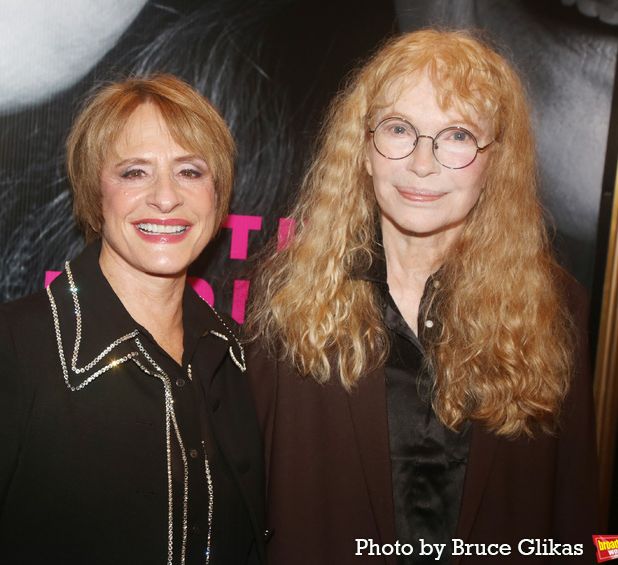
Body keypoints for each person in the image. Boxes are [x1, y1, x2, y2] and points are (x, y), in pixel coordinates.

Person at [246, 29, 599, 564]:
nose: (422, 163)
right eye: (398, 129)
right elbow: (246, 507)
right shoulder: (286, 296)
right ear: (364, 150)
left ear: (494, 162)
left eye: (456, 135)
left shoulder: (555, 308)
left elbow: (579, 518)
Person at [0, 74, 265, 564]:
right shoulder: (11, 347)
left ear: (218, 196)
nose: (165, 197)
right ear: (96, 191)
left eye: (191, 172)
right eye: (134, 172)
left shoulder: (239, 357)